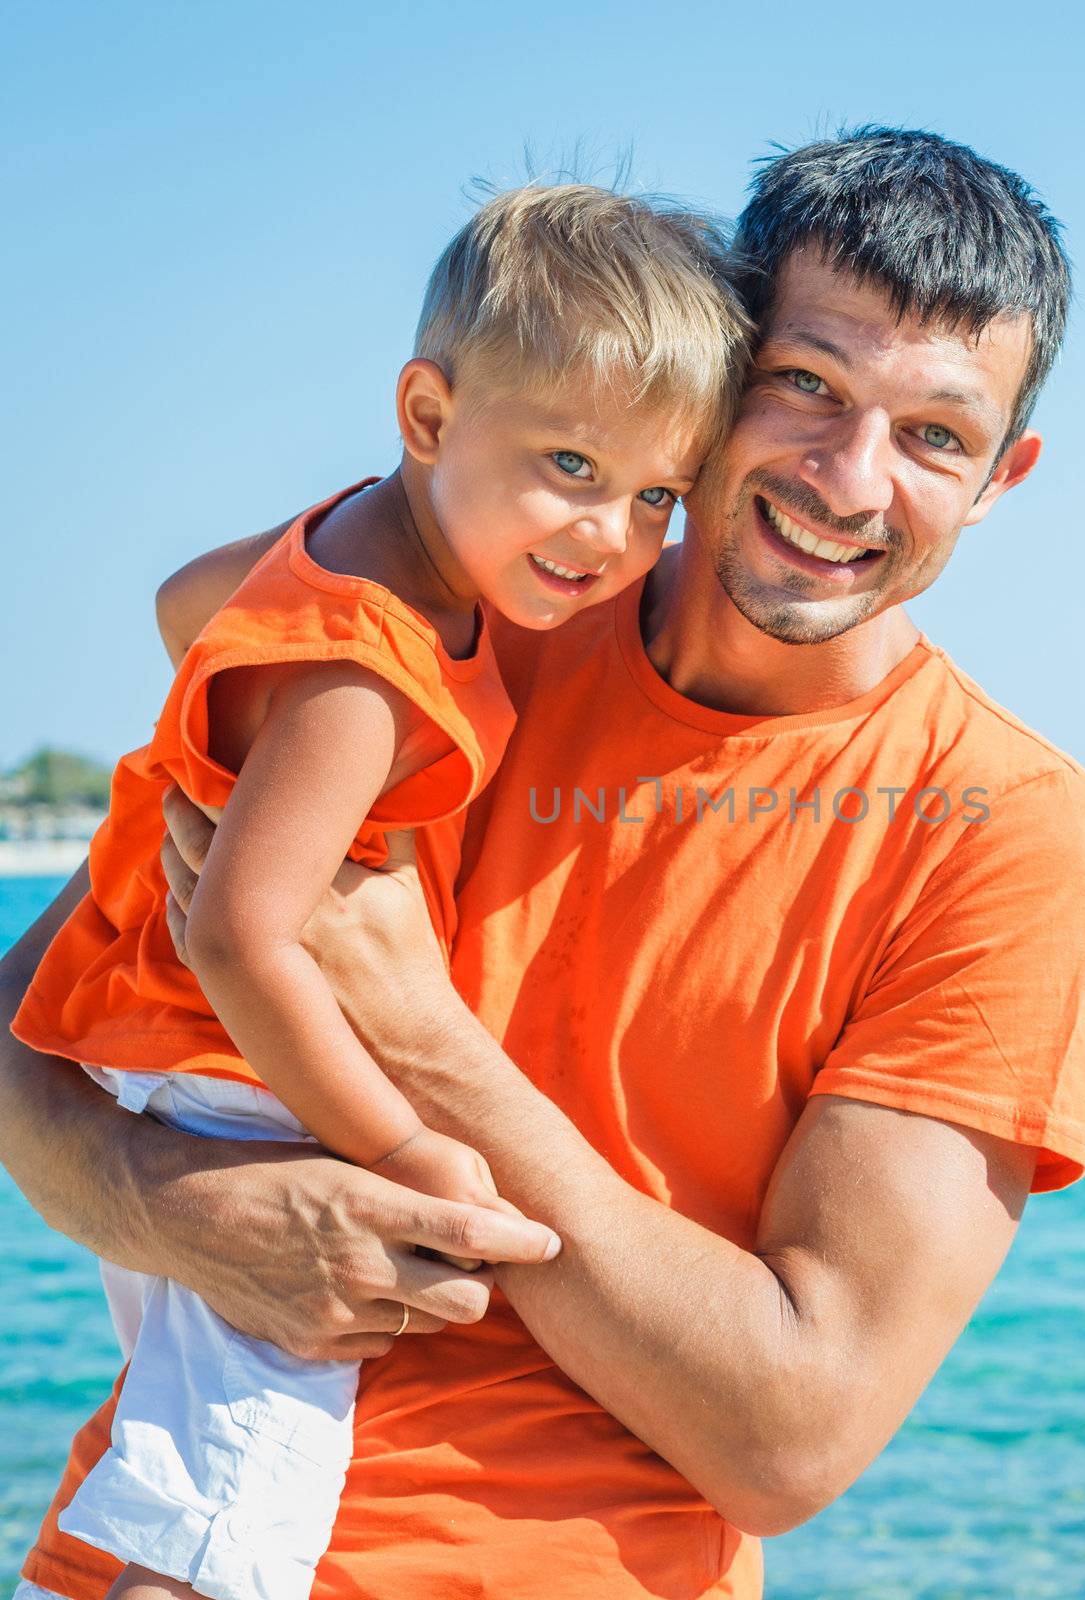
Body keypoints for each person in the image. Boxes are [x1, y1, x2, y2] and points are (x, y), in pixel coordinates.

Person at [2, 126, 1085, 1600]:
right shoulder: (475, 607)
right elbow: (38, 1026)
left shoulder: (1008, 831)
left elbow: (789, 1442)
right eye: (808, 387)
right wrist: (169, 1205)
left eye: (935, 435)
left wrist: (423, 1038)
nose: (853, 481)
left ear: (1002, 475)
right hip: (173, 1542)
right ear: (717, 383)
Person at [7, 184, 750, 1600]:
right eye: (572, 467)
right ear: (427, 415)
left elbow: (183, 599)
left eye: (657, 496)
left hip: (173, 1052)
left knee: (211, 1425)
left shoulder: (353, 538)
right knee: (245, 1469)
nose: (609, 536)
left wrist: (232, 713)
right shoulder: (370, 669)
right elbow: (240, 930)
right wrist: (400, 1146)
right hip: (234, 1073)